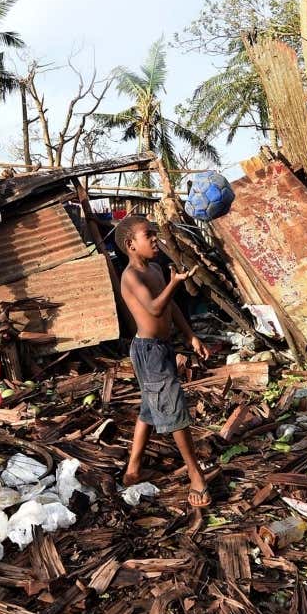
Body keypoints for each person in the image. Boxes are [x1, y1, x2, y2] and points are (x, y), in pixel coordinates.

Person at [114, 215, 213, 508]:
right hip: (148, 351)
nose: (155, 239)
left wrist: (191, 336)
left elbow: (170, 309)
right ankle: (196, 476)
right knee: (174, 410)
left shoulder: (156, 269)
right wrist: (174, 284)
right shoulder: (131, 276)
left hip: (162, 348)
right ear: (131, 245)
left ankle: (132, 469)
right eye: (149, 235)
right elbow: (155, 309)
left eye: (155, 233)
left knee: (149, 408)